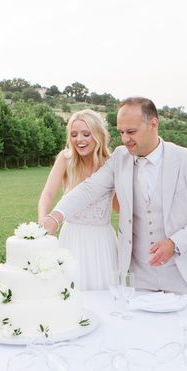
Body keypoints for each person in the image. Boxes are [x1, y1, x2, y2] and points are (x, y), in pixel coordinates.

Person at [41, 97, 187, 294]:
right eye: (121, 132)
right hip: (139, 277)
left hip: (185, 275)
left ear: (153, 124)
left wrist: (174, 243)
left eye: (131, 132)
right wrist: (55, 217)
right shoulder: (120, 157)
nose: (125, 139)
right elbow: (89, 189)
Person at [38, 109, 119, 290]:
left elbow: (118, 206)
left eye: (86, 134)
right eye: (74, 134)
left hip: (102, 241)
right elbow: (48, 194)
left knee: (105, 294)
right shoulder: (66, 159)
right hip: (72, 238)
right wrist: (43, 221)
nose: (79, 140)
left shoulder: (111, 163)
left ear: (98, 135)